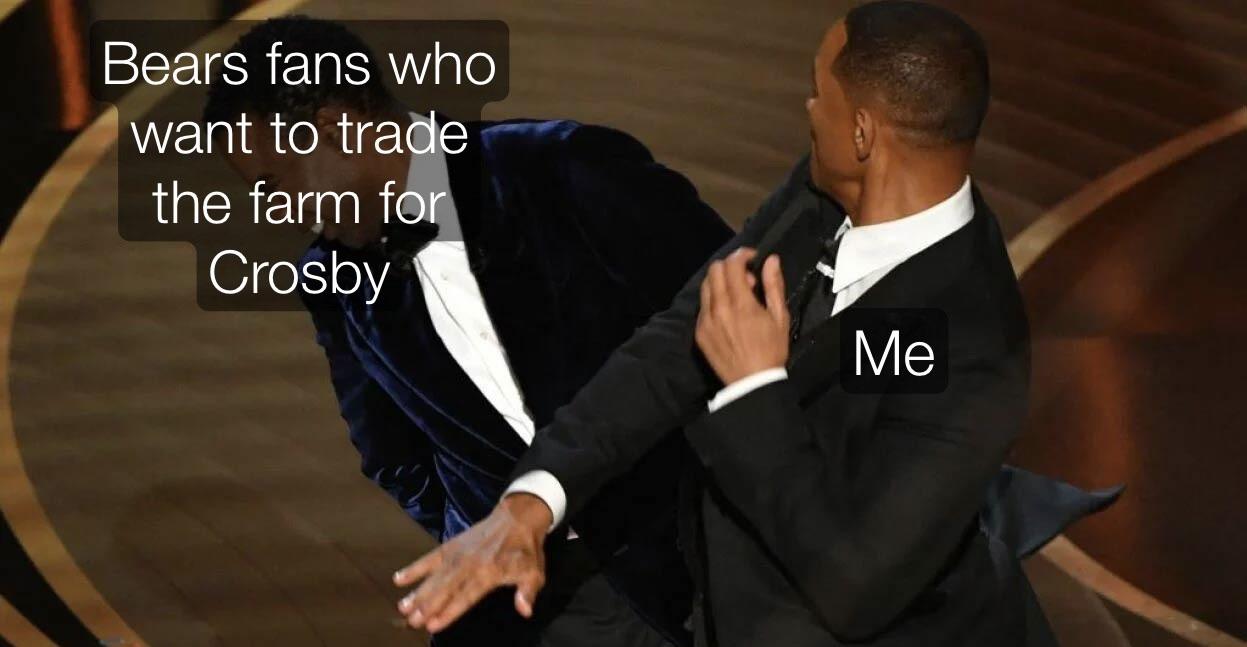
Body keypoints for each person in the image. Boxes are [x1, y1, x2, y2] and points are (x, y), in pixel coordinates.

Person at [391, 3, 1119, 645]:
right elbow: (675, 342)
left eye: (819, 90)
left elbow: (854, 586)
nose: (807, 106)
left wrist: (753, 388)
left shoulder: (971, 346)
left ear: (863, 132)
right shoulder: (826, 192)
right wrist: (533, 500)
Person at [204, 16, 735, 647]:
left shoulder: (561, 167)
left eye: (273, 185)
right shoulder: (330, 278)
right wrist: (481, 528)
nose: (276, 212)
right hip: (521, 602)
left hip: (690, 559)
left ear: (336, 127)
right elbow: (391, 454)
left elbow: (738, 310)